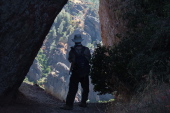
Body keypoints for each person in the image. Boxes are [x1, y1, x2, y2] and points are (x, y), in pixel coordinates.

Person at [60, 34, 91, 110]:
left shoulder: (72, 51)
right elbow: (89, 59)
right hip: (84, 72)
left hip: (76, 72)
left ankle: (69, 105)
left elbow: (70, 60)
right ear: (81, 41)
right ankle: (83, 103)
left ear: (75, 42)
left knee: (73, 88)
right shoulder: (86, 49)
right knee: (85, 88)